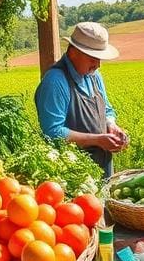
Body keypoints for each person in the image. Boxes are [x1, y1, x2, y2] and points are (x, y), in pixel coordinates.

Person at [34, 21, 129, 178]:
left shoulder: (94, 76)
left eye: (99, 59)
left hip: (101, 168)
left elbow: (107, 110)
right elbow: (52, 132)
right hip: (72, 175)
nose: (97, 65)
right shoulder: (55, 81)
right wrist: (98, 140)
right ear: (72, 52)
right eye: (92, 58)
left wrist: (111, 125)